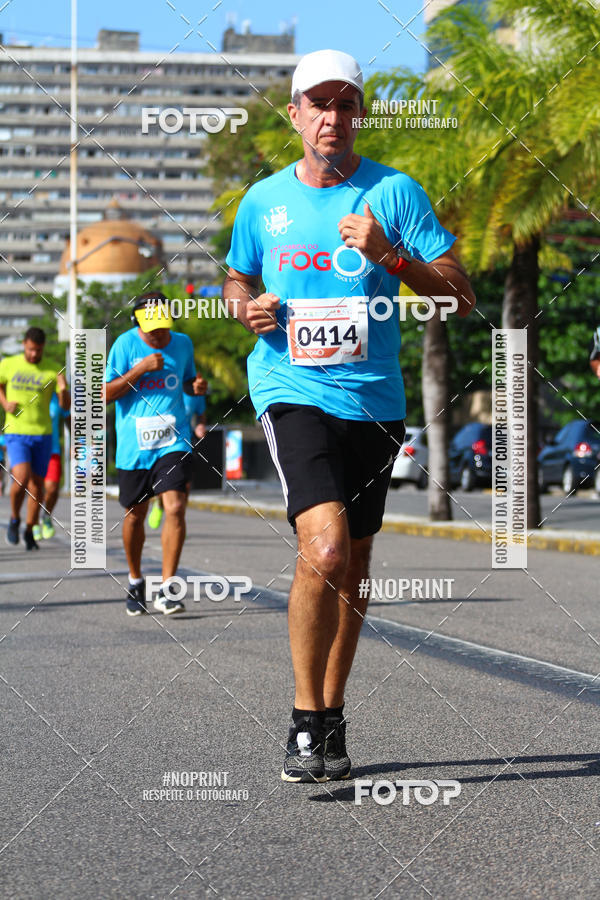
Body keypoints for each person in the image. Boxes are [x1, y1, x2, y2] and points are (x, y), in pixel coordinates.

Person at [223, 49, 476, 783]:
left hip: (375, 402)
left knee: (355, 564)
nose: (331, 118)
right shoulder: (263, 201)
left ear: (359, 114)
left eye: (345, 105)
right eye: (318, 105)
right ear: (295, 114)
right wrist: (247, 307)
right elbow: (238, 277)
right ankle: (305, 722)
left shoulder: (395, 194)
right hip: (290, 388)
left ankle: (332, 716)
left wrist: (392, 256)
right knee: (325, 549)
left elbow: (455, 297)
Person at [104, 292, 206, 616]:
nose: (160, 336)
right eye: (153, 331)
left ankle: (167, 588)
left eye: (164, 328)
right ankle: (135, 580)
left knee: (175, 507)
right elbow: (103, 394)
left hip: (172, 441)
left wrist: (197, 387)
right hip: (134, 448)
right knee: (136, 515)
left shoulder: (183, 344)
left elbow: (188, 382)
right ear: (137, 324)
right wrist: (139, 370)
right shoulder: (123, 346)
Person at [0, 327, 70, 550]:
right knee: (20, 478)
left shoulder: (52, 369)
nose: (33, 355)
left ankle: (30, 528)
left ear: (43, 348)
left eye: (37, 351)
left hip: (43, 434)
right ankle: (14, 518)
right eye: (30, 350)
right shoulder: (8, 364)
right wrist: (4, 403)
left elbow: (65, 407)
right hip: (16, 432)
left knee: (38, 486)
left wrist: (63, 388)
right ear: (24, 345)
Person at [148, 391, 207, 530]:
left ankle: (178, 519)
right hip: (164, 441)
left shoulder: (195, 390)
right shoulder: (167, 384)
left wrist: (200, 425)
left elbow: (201, 415)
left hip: (185, 441)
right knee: (164, 482)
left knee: (184, 485)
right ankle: (159, 502)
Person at [31, 392, 70, 541]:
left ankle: (46, 516)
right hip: (32, 448)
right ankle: (33, 522)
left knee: (52, 488)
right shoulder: (29, 392)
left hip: (52, 450)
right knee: (36, 489)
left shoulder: (56, 396)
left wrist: (77, 441)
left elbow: (68, 417)